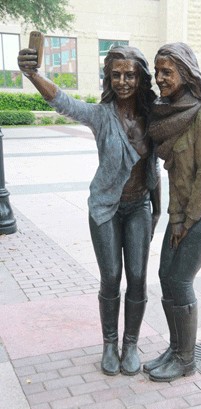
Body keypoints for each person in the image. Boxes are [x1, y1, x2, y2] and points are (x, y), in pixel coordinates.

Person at [18, 45, 161, 376]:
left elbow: (154, 166)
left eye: (130, 74)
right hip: (105, 209)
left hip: (139, 205)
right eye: (116, 75)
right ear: (109, 78)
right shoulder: (101, 115)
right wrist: (33, 74)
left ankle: (130, 345)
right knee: (111, 277)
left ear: (140, 78)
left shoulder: (154, 114)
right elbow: (64, 102)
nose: (123, 81)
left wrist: (156, 210)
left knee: (138, 278)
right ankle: (109, 344)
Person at [143, 42, 201, 382]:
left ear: (186, 73)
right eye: (158, 71)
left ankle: (186, 358)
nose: (161, 78)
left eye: (168, 71)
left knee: (179, 280)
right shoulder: (167, 112)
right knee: (166, 276)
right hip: (182, 209)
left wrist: (186, 221)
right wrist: (175, 217)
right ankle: (176, 346)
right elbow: (177, 174)